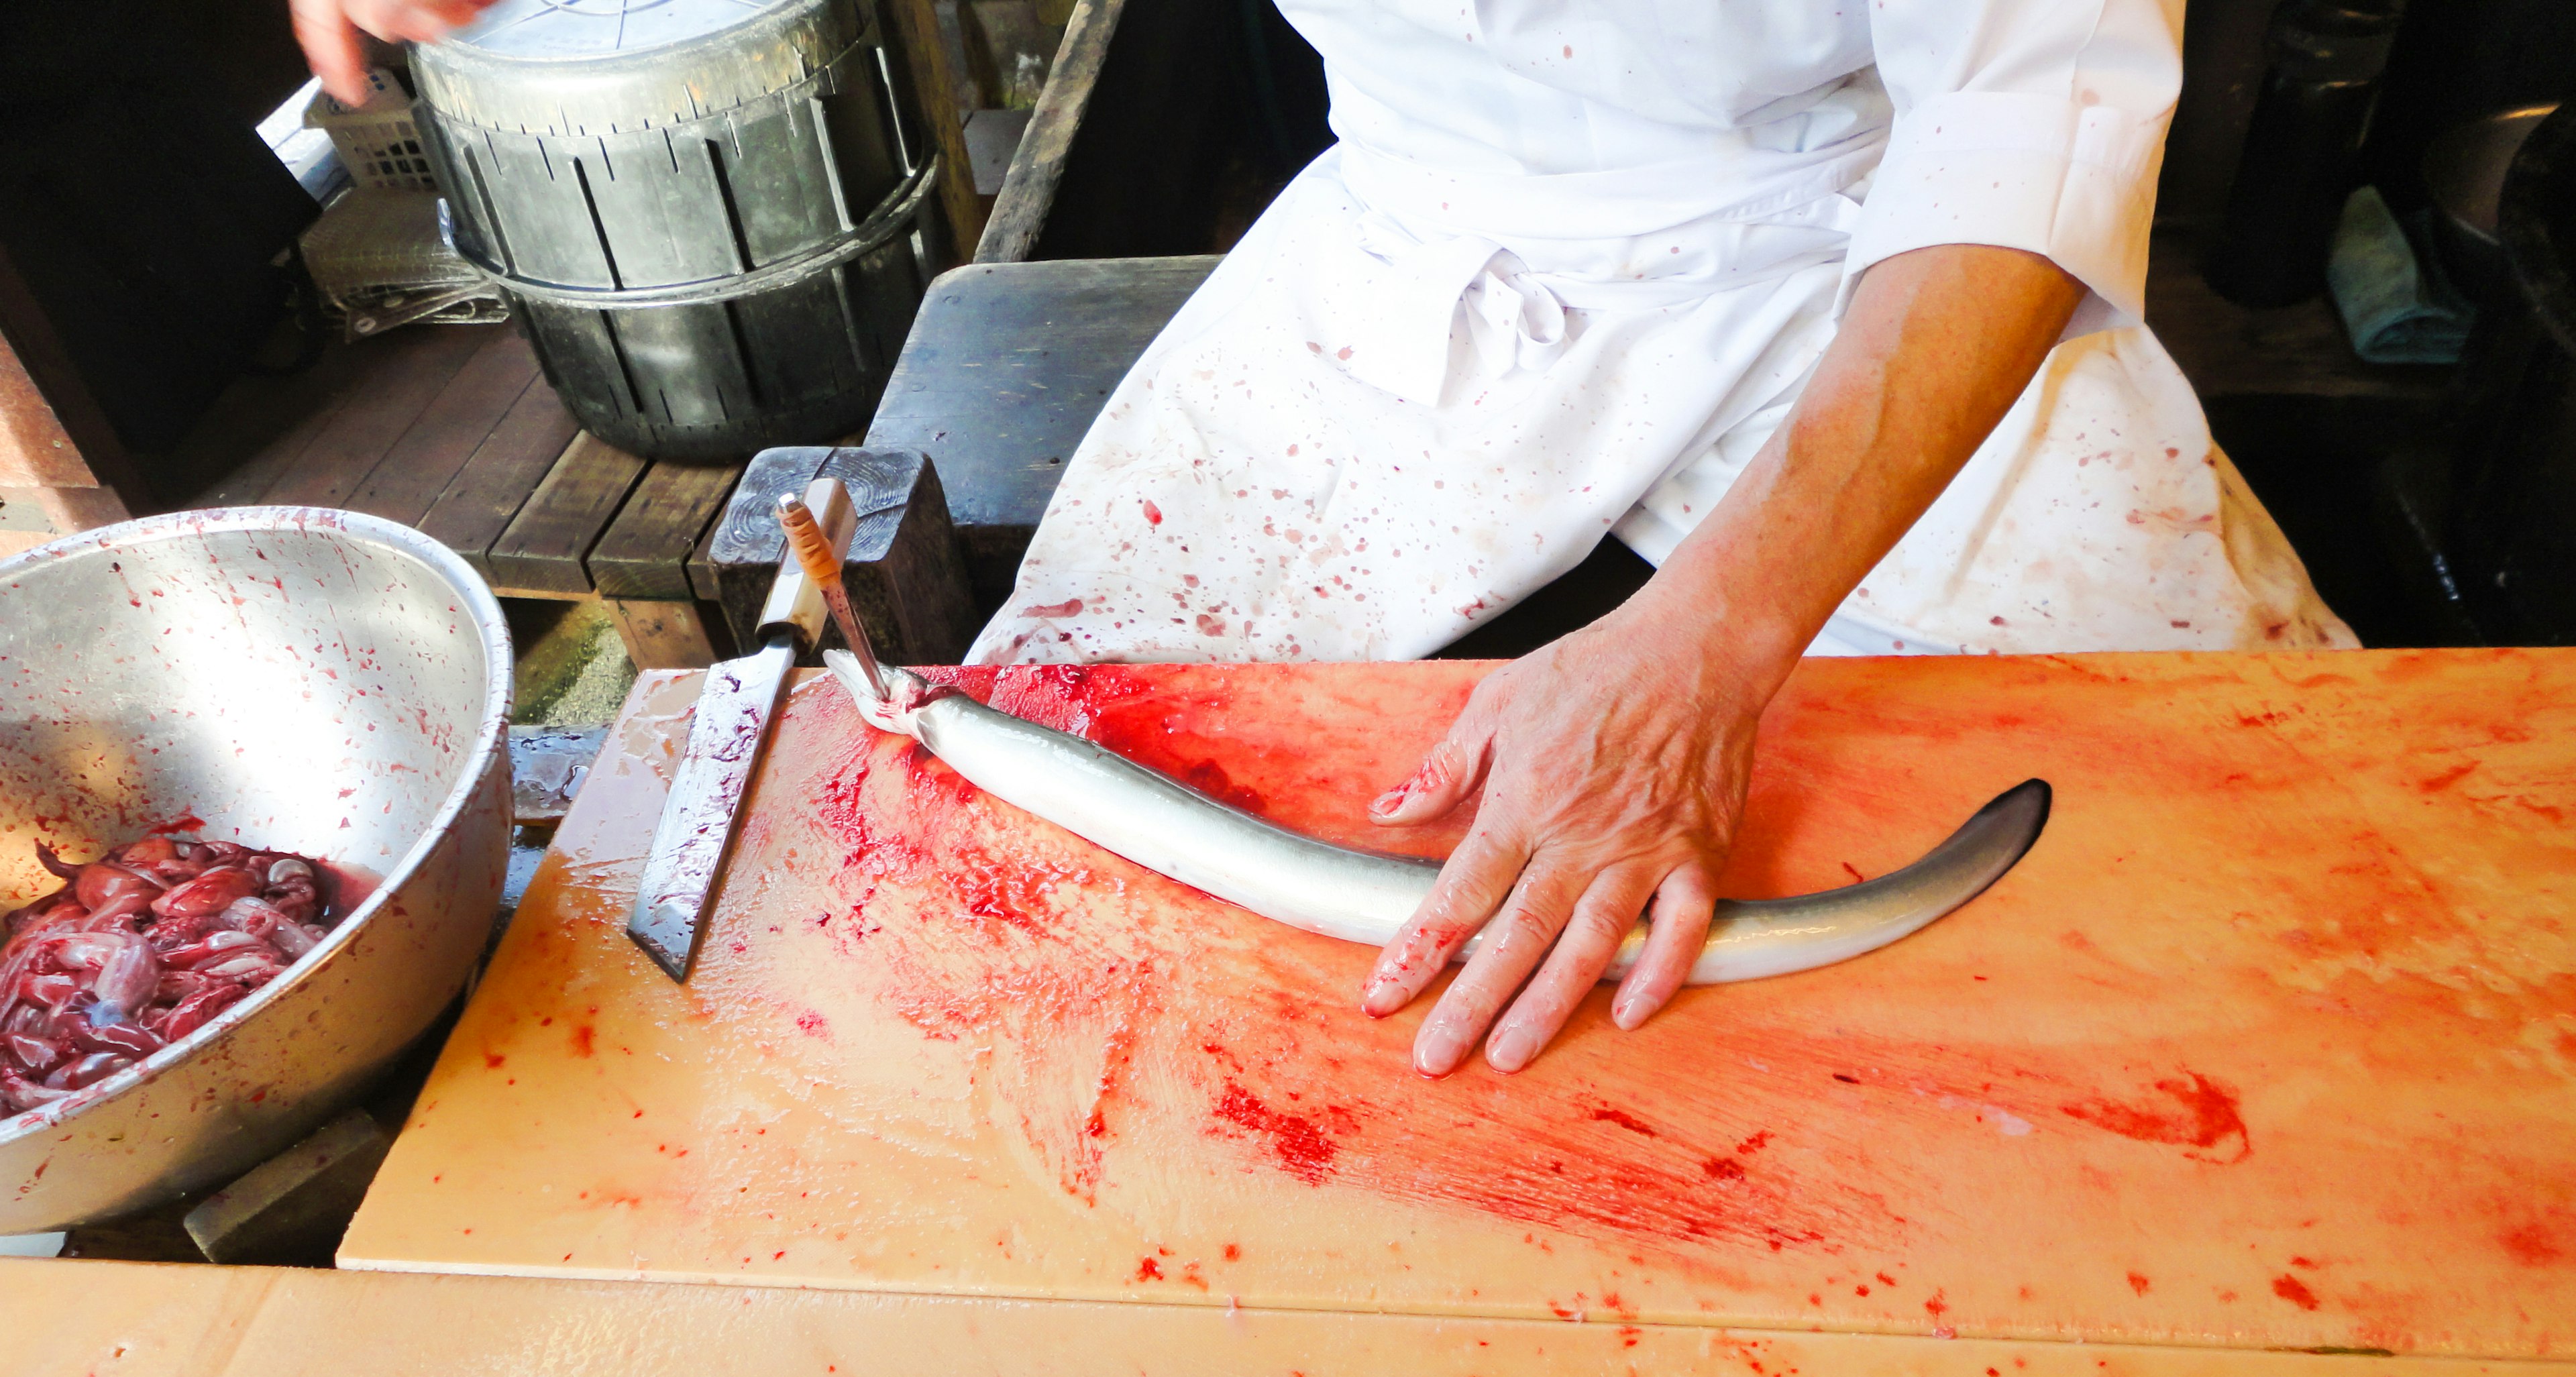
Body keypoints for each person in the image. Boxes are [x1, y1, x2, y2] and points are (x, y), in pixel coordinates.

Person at [301, 0, 2353, 1081]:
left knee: (2267, 847)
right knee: (1043, 823)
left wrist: (1709, 650)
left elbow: (2032, 106)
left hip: (1874, 244)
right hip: (1422, 230)